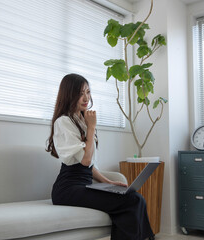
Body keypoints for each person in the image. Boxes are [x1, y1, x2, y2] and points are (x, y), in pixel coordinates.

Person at [46, 73, 154, 240]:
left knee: (137, 198)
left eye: (88, 92)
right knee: (131, 200)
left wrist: (109, 182)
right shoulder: (63, 121)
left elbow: (89, 167)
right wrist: (91, 128)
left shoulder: (82, 120)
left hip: (84, 185)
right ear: (69, 94)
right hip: (67, 189)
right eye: (80, 93)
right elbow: (85, 160)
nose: (86, 98)